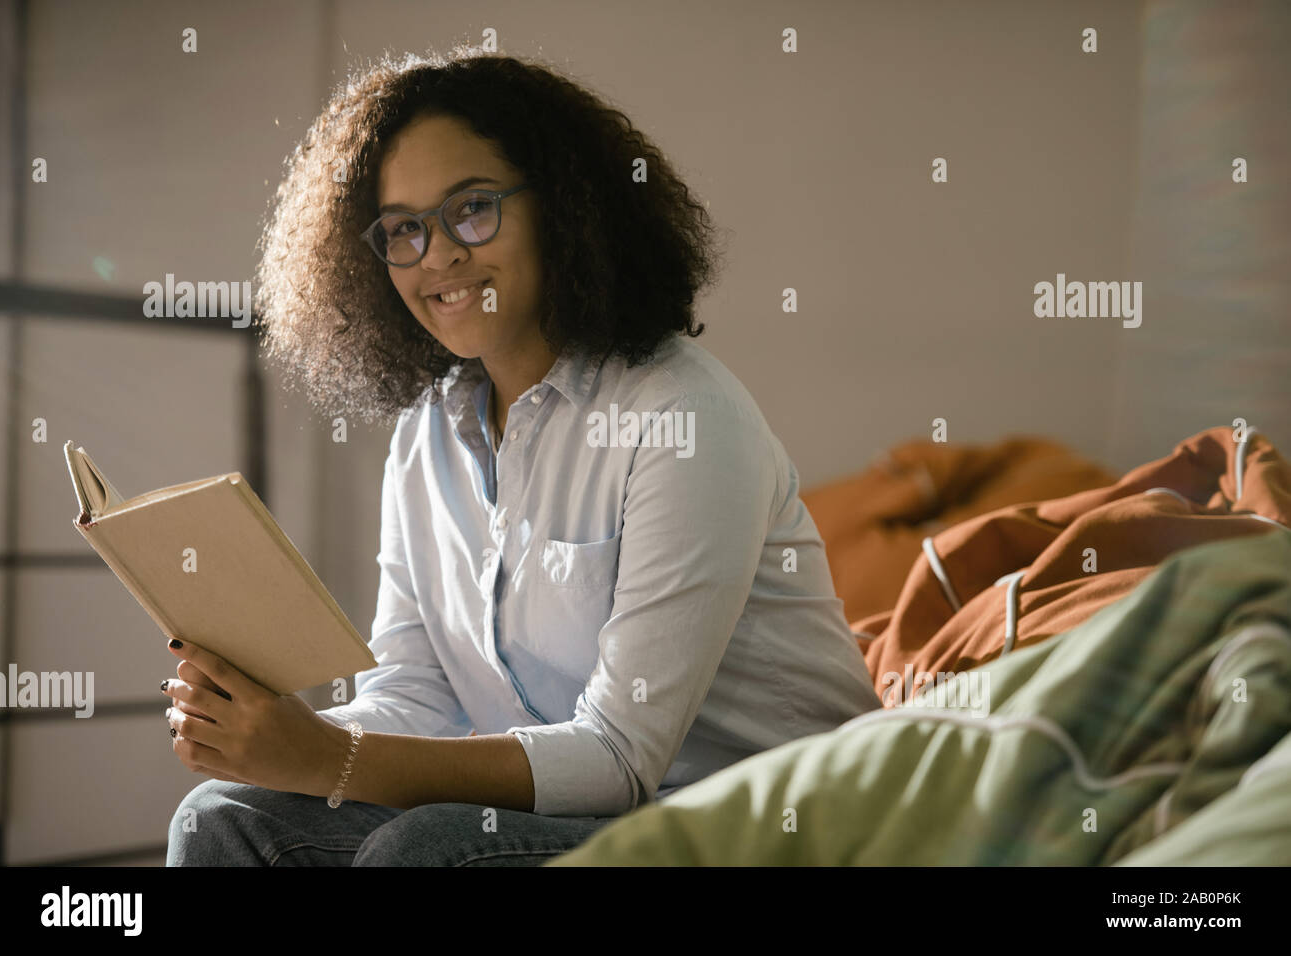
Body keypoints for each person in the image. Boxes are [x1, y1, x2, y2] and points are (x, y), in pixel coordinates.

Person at [164, 47, 882, 867]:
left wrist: (329, 760)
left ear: (566, 208)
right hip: (589, 818)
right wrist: (273, 732)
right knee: (220, 817)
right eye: (403, 229)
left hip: (768, 821)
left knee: (427, 850)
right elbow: (417, 695)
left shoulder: (683, 414)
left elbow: (617, 757)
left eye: (472, 209)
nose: (436, 256)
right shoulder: (425, 436)